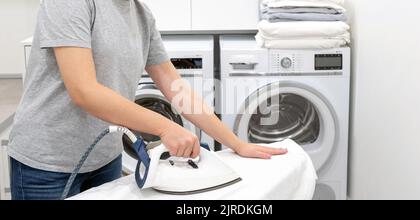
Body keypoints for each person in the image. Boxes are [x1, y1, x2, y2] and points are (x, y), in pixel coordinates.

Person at [7, 0, 287, 200]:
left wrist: (236, 143)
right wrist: (165, 127)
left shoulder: (140, 14)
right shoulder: (71, 3)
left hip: (105, 158)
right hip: (47, 162)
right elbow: (84, 91)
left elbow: (176, 87)